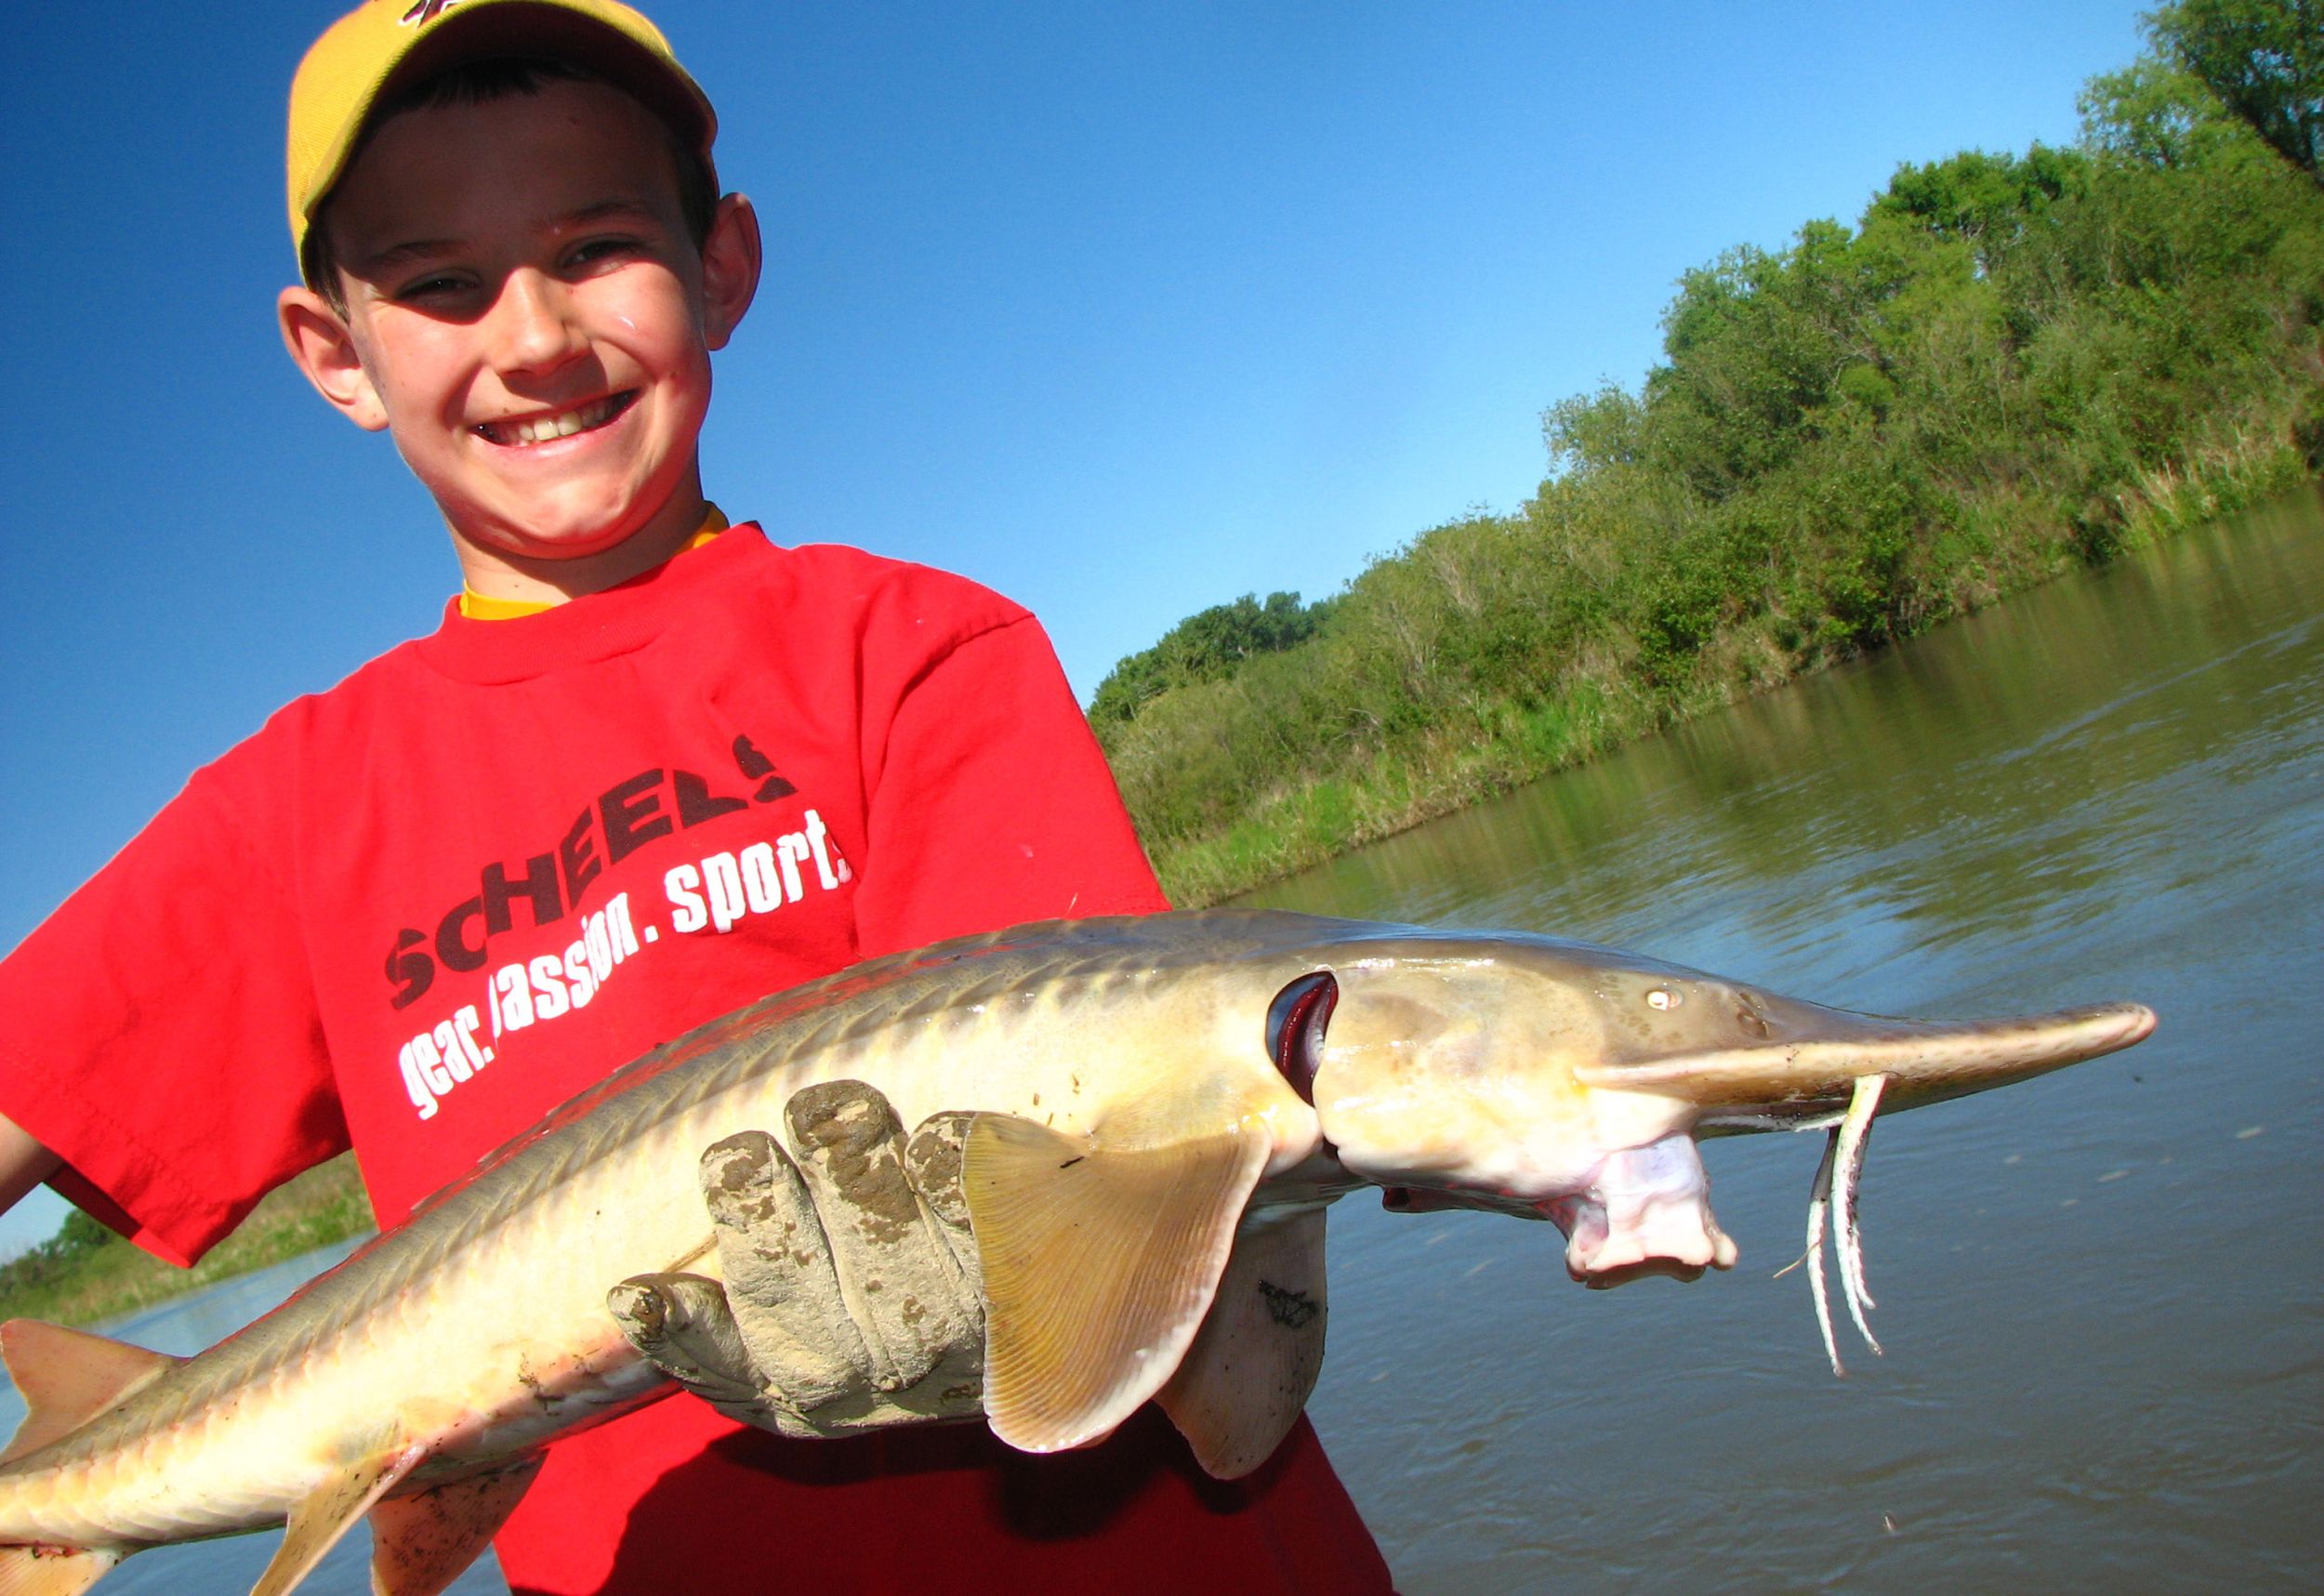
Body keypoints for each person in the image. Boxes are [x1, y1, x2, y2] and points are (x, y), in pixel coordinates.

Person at [0, 1, 1393, 1591]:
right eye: (441, 284)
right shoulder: (291, 816)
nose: (532, 337)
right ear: (338, 356)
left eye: (593, 247)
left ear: (722, 264)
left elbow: (1142, 1140)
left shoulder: (912, 648)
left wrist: (1249, 1237)